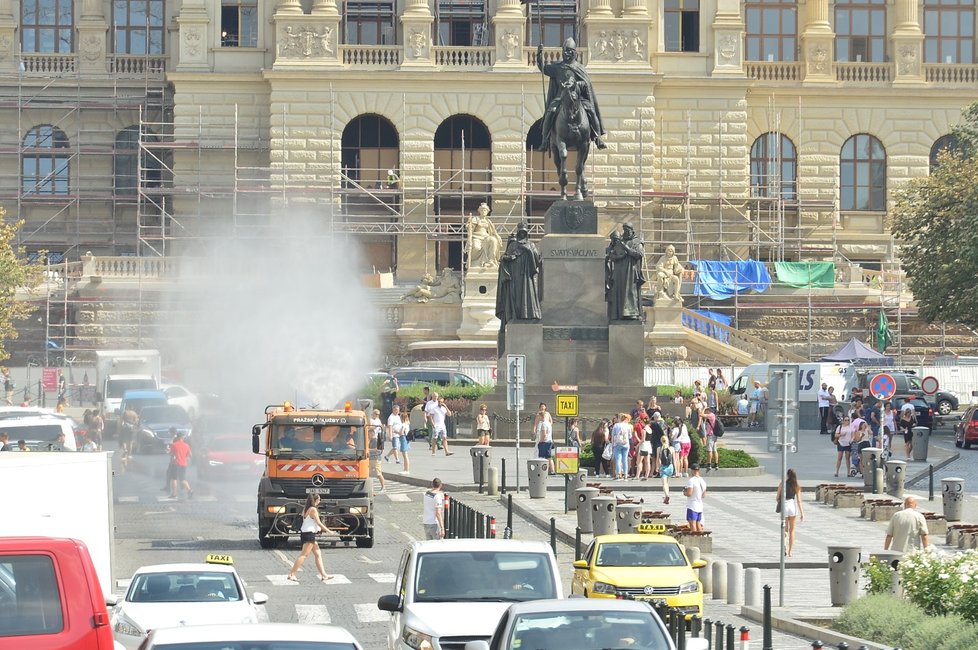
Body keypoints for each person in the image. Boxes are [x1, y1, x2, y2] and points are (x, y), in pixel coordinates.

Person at [536, 37, 607, 152]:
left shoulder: (580, 68)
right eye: (564, 50)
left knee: (591, 111)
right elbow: (543, 68)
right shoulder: (558, 67)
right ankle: (544, 141)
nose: (565, 53)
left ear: (574, 53)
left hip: (578, 99)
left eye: (568, 50)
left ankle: (598, 137)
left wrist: (576, 85)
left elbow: (586, 84)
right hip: (561, 98)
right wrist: (539, 55)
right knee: (550, 112)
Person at [287, 494, 334, 583]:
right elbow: (318, 522)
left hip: (306, 533)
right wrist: (329, 531)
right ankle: (292, 574)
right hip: (309, 535)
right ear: (315, 500)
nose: (320, 501)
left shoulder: (305, 509)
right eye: (319, 499)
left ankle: (324, 575)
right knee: (304, 555)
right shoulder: (313, 509)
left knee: (318, 554)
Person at [777, 468, 805, 557]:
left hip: (785, 506)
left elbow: (777, 497)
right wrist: (802, 513)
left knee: (785, 529)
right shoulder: (796, 486)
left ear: (787, 475)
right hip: (792, 506)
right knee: (792, 530)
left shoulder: (782, 484)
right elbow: (799, 501)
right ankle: (790, 551)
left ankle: (784, 546)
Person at [168, 429, 193, 500]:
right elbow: (190, 455)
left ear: (177, 437)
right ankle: (189, 490)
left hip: (175, 464)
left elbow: (171, 454)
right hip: (183, 464)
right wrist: (185, 457)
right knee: (183, 479)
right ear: (182, 438)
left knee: (174, 479)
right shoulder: (186, 445)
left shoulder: (174, 445)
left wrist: (168, 452)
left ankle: (174, 493)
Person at [684, 464, 707, 533]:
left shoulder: (692, 480)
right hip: (700, 505)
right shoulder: (702, 481)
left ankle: (695, 538)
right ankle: (701, 539)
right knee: (698, 523)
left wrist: (684, 493)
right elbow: (704, 495)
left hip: (692, 505)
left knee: (692, 524)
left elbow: (689, 493)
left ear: (692, 470)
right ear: (698, 470)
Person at [534, 403, 555, 474]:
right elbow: (535, 423)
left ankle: (543, 471)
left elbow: (544, 434)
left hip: (544, 441)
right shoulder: (547, 424)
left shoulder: (544, 423)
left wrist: (540, 441)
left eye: (543, 406)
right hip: (549, 440)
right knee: (549, 457)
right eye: (541, 406)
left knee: (541, 457)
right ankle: (551, 470)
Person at [610, 414, 631, 480]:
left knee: (618, 459)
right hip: (626, 444)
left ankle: (618, 474)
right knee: (625, 460)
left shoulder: (616, 425)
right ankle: (625, 475)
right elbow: (630, 436)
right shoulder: (628, 425)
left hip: (617, 443)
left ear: (619, 418)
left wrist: (613, 444)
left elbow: (613, 435)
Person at [369, 408, 386, 492]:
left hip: (376, 458)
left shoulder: (376, 439)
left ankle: (383, 487)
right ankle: (369, 488)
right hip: (371, 458)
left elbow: (378, 450)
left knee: (378, 473)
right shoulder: (371, 420)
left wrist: (368, 450)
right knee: (368, 473)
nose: (377, 415)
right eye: (376, 414)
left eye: (378, 414)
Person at [659, 436, 675, 504]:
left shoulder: (659, 448)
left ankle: (667, 495)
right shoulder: (671, 448)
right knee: (667, 483)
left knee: (664, 483)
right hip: (670, 467)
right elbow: (674, 460)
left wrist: (658, 467)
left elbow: (658, 459)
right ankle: (666, 496)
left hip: (663, 467)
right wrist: (676, 470)